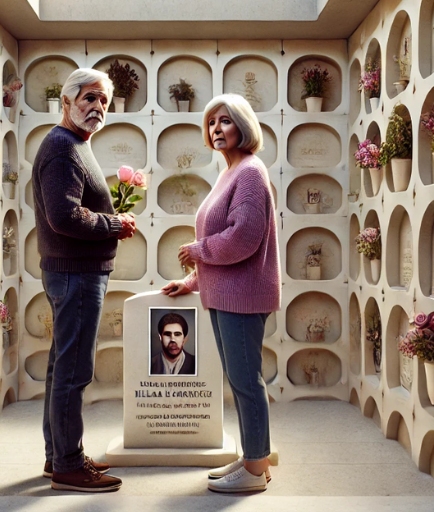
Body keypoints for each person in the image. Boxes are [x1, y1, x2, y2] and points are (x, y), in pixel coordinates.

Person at [161, 93, 280, 494]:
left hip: (242, 296)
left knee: (246, 381)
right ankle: (253, 457)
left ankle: (255, 469)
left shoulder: (248, 172)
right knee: (240, 378)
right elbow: (221, 235)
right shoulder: (229, 172)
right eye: (212, 123)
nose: (217, 129)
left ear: (243, 126)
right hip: (224, 294)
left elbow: (243, 237)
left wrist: (196, 252)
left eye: (225, 121)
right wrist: (193, 281)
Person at [32, 68, 136, 493]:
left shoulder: (74, 144)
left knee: (62, 368)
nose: (97, 107)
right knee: (74, 371)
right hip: (75, 274)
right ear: (68, 101)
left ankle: (59, 456)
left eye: (104, 101)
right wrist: (114, 223)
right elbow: (64, 216)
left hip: (73, 272)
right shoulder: (62, 148)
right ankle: (69, 467)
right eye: (89, 98)